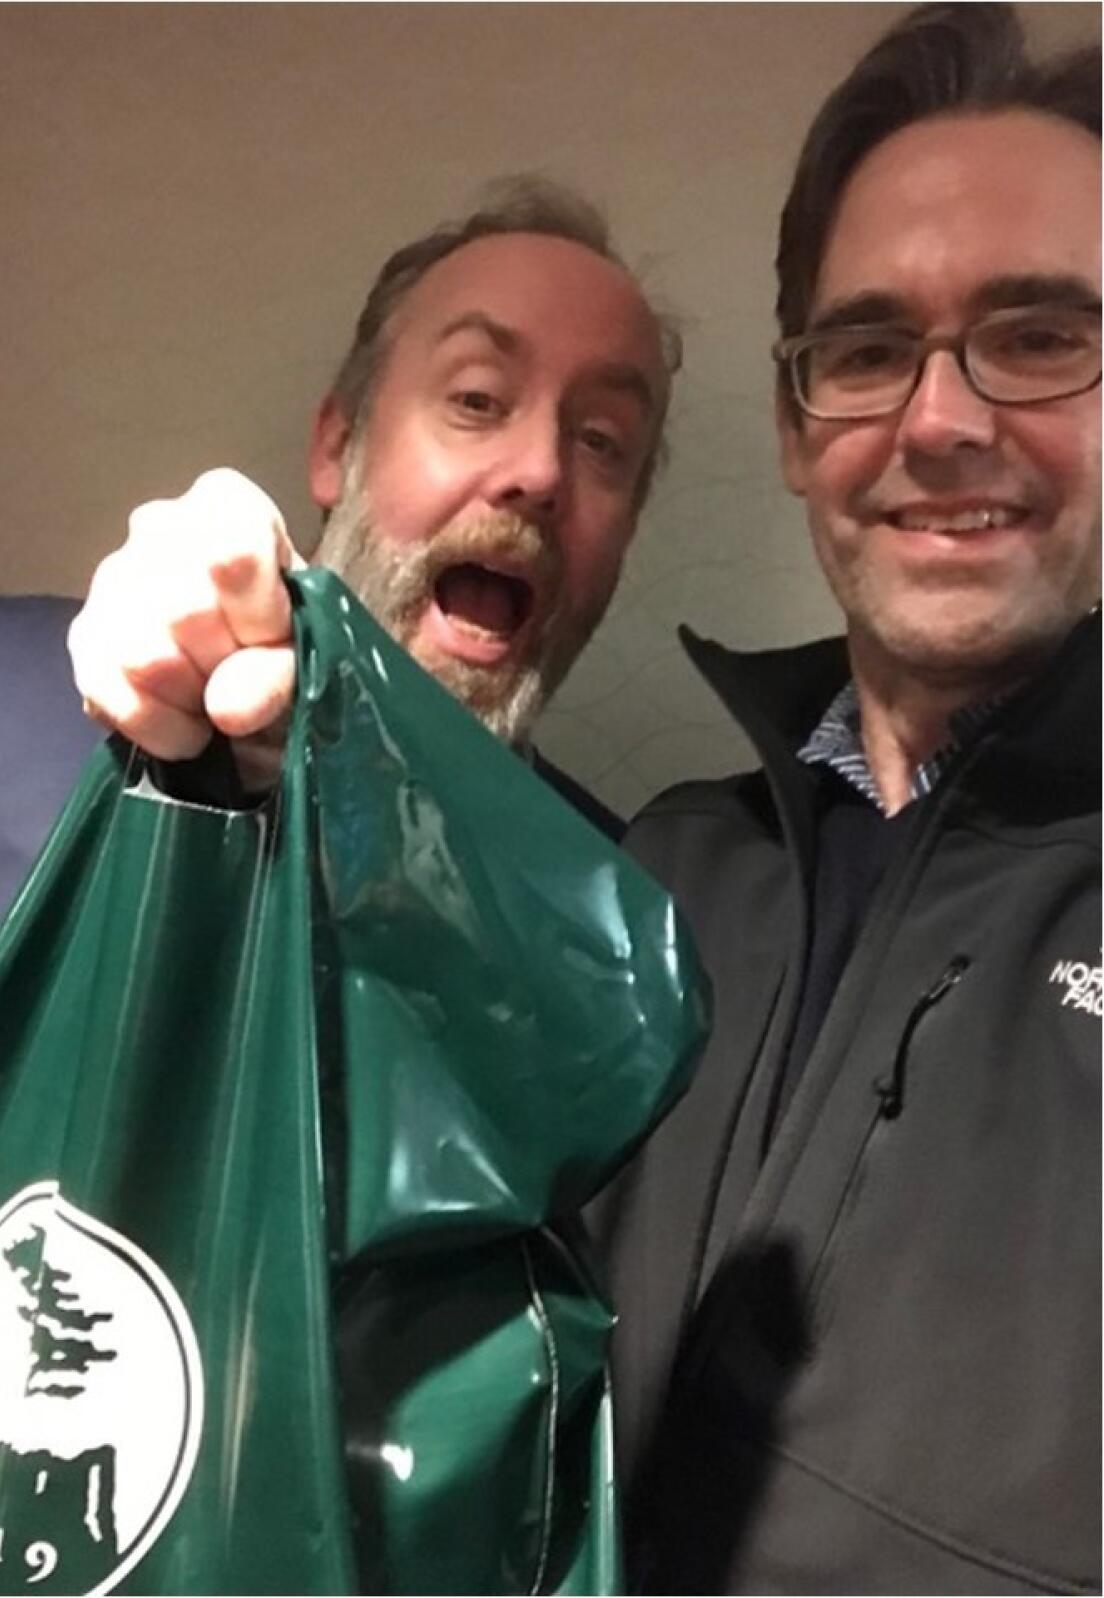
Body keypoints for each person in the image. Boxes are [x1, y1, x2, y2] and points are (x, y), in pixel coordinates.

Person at [591, 5, 1101, 1592]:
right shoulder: (646, 875)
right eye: (871, 350)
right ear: (802, 425)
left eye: (1038, 335)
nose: (941, 421)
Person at [0, 177, 679, 1052]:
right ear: (337, 446)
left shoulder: (616, 952)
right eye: (477, 399)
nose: (540, 471)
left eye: (602, 441)